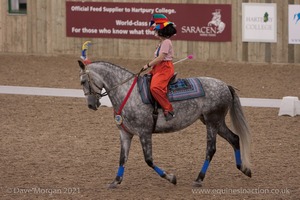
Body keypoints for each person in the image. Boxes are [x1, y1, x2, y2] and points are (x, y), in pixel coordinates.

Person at [143, 14, 177, 121]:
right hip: (158, 68)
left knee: (155, 87)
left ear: (161, 31)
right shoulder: (162, 42)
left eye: (156, 30)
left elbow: (161, 58)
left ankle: (168, 109)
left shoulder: (166, 42)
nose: (154, 32)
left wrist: (148, 65)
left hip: (164, 68)